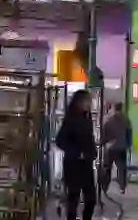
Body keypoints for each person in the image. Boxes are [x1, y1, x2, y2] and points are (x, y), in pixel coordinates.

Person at [55, 89, 97, 220]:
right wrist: (77, 153)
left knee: (91, 199)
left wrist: (93, 152)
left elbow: (89, 139)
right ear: (79, 102)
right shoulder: (71, 119)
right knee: (73, 198)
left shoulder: (87, 117)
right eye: (87, 101)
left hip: (86, 164)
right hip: (73, 164)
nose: (89, 103)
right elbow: (60, 140)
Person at [100, 102, 132, 194]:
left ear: (113, 108)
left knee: (107, 168)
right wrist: (128, 144)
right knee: (122, 168)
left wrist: (103, 143)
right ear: (121, 108)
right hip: (121, 147)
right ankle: (122, 187)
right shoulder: (126, 120)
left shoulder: (108, 119)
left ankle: (104, 187)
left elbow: (104, 133)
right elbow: (129, 133)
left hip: (110, 147)